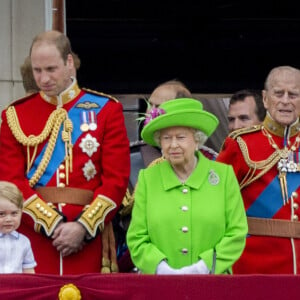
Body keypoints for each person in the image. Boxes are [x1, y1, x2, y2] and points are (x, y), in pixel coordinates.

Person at [0, 30, 130, 275]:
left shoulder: (107, 110)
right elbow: (11, 183)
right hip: (33, 239)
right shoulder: (15, 115)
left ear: (69, 62)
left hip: (87, 237)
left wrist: (83, 226)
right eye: (37, 70)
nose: (43, 78)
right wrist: (52, 224)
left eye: (51, 69)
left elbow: (116, 180)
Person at [126, 98, 248, 274]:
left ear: (197, 140)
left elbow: (236, 233)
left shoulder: (224, 176)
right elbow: (136, 237)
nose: (173, 145)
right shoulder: (148, 178)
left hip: (213, 285)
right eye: (166, 138)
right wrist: (161, 268)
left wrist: (203, 267)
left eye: (181, 137)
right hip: (159, 286)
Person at [217, 65, 300, 274]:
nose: (286, 100)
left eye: (294, 94)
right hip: (253, 265)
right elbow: (214, 202)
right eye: (278, 93)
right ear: (265, 99)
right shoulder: (241, 144)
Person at [0, 181, 37, 274]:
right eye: (2, 214)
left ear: (21, 212)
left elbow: (28, 271)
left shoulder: (24, 242)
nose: (8, 219)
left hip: (16, 287)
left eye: (14, 213)